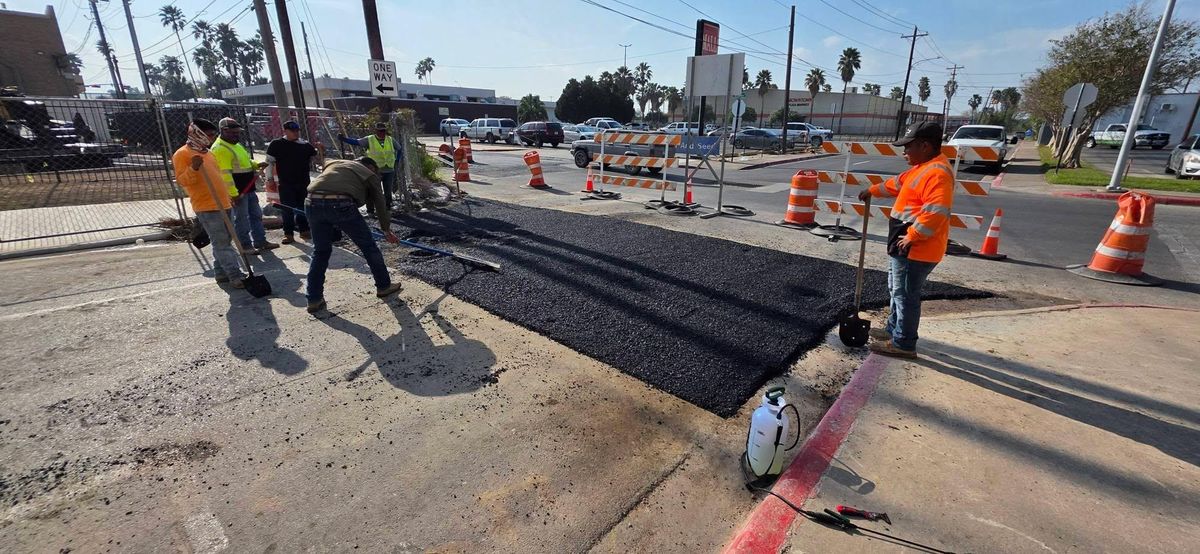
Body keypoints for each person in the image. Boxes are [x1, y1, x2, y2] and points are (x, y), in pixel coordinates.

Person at [857, 121, 955, 358]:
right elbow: (895, 185)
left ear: (924, 145)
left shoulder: (937, 173)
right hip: (904, 244)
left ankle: (904, 342)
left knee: (905, 295)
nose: (904, 153)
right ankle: (893, 330)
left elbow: (936, 211)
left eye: (908, 147)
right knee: (896, 289)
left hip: (916, 248)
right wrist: (872, 190)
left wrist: (913, 235)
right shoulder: (922, 167)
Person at [304, 156, 403, 313]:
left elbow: (328, 183)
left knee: (320, 251)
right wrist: (386, 229)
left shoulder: (335, 163)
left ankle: (314, 299)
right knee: (368, 247)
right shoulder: (369, 174)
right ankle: (384, 286)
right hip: (340, 204)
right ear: (370, 167)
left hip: (311, 203)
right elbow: (380, 203)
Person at [172, 118, 246, 288]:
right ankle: (235, 275)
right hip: (207, 206)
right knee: (221, 242)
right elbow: (183, 181)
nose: (212, 138)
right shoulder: (182, 154)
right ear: (197, 133)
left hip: (224, 203)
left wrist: (228, 197)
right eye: (209, 134)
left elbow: (219, 177)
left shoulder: (208, 153)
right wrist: (194, 168)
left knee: (225, 240)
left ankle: (220, 273)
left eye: (213, 135)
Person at [212, 117, 279, 254]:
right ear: (224, 131)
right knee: (241, 219)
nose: (237, 135)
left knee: (256, 215)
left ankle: (260, 241)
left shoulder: (235, 145)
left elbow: (245, 161)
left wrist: (256, 165)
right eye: (233, 132)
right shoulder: (220, 149)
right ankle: (245, 245)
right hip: (238, 191)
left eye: (237, 132)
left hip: (248, 188)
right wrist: (233, 194)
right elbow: (225, 175)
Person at [265, 120, 324, 244]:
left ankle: (304, 230)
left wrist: (320, 150)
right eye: (293, 131)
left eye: (297, 131)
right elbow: (269, 163)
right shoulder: (277, 144)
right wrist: (269, 179)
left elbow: (317, 160)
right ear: (285, 131)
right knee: (287, 208)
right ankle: (288, 233)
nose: (296, 133)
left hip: (303, 183)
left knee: (303, 207)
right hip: (286, 183)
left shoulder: (305, 145)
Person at [337, 122, 402, 210]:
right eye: (380, 131)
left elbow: (399, 149)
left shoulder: (390, 139)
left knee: (388, 190)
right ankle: (371, 209)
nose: (382, 133)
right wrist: (344, 139)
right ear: (376, 131)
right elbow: (356, 142)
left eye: (384, 131)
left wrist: (397, 160)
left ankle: (387, 207)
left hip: (389, 169)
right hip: (374, 170)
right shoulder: (370, 139)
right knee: (373, 191)